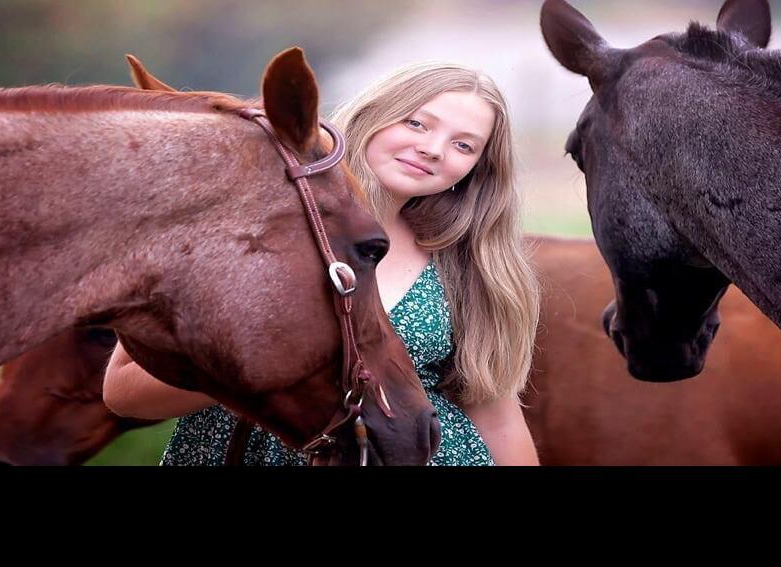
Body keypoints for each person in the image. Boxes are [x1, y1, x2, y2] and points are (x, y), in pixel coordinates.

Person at [103, 62, 541, 466]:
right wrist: (265, 363)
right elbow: (123, 392)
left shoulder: (470, 264)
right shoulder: (245, 222)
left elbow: (497, 417)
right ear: (374, 112)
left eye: (463, 145)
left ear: (477, 169)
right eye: (416, 123)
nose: (432, 149)